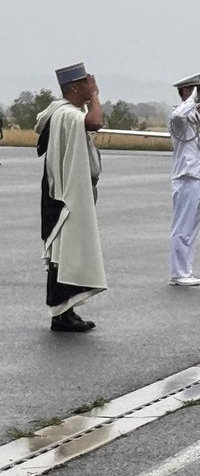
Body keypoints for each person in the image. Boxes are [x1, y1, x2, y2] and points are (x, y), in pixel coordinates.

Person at [35, 63, 106, 332]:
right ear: (76, 87)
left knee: (71, 252)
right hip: (65, 196)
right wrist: (96, 96)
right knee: (64, 253)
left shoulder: (68, 114)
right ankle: (60, 313)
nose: (91, 86)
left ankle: (67, 310)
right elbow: (96, 121)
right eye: (87, 83)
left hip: (72, 192)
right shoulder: (65, 114)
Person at [167, 73, 200, 286]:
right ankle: (179, 272)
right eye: (197, 90)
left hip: (197, 177)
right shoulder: (179, 116)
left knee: (191, 227)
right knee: (182, 226)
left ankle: (185, 270)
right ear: (188, 91)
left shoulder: (193, 117)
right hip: (186, 178)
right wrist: (191, 99)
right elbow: (177, 117)